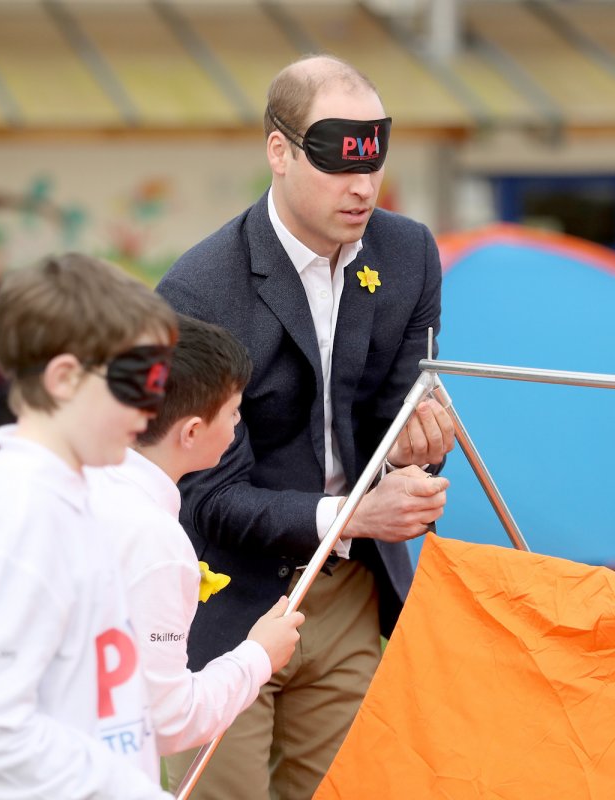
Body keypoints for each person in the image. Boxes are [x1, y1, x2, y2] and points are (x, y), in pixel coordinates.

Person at [157, 55, 455, 798]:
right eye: (334, 161)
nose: (361, 186)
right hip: (223, 599)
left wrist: (420, 451)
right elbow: (204, 493)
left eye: (374, 160)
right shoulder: (198, 289)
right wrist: (358, 512)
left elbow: (397, 418)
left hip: (351, 587)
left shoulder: (409, 253)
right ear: (280, 151)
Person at [0, 253, 176, 798]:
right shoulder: (22, 514)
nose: (152, 410)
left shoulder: (67, 494)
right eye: (139, 382)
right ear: (64, 377)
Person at [88, 315, 305, 760]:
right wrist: (259, 655)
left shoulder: (81, 485)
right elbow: (166, 721)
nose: (238, 423)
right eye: (233, 412)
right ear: (191, 431)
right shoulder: (154, 540)